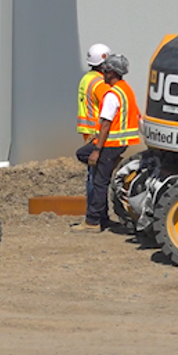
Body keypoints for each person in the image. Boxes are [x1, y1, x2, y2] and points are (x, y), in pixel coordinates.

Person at [71, 53, 141, 233]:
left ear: (112, 72)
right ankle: (101, 217)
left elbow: (105, 125)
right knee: (90, 163)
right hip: (119, 144)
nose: (103, 73)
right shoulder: (126, 89)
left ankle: (93, 221)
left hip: (110, 143)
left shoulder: (112, 94)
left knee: (99, 181)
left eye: (106, 70)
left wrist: (97, 150)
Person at [77, 43, 112, 198]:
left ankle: (93, 212)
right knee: (97, 177)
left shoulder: (87, 78)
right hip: (97, 133)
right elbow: (110, 108)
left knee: (92, 175)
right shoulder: (100, 83)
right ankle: (95, 214)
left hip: (87, 132)